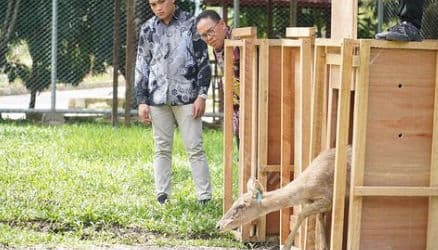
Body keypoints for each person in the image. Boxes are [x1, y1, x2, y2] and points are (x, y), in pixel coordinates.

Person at [135, 0, 212, 205]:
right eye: (153, 4)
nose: (158, 8)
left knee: (194, 147)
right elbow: (141, 65)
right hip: (157, 98)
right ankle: (162, 195)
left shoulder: (191, 24)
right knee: (161, 148)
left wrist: (202, 95)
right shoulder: (148, 29)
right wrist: (142, 101)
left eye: (161, 2)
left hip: (188, 97)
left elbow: (203, 61)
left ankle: (204, 196)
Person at [195, 10, 241, 148]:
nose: (208, 38)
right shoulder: (218, 47)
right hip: (237, 101)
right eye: (203, 35)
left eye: (210, 31)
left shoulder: (238, 41)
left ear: (222, 24)